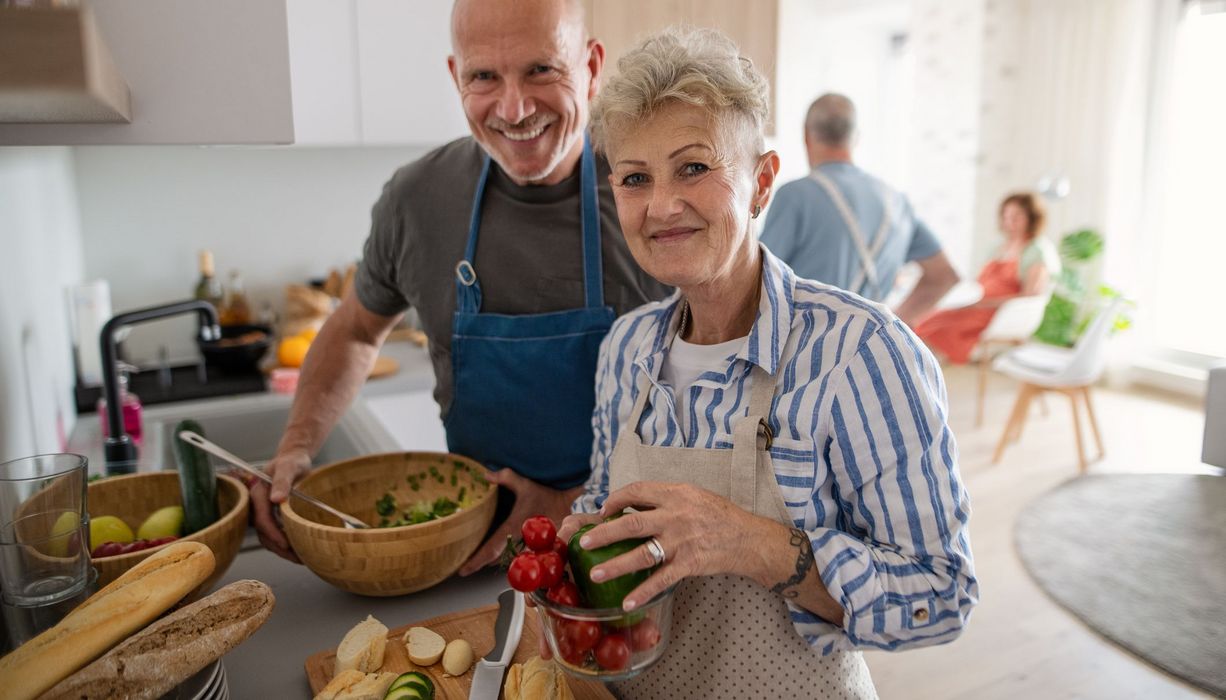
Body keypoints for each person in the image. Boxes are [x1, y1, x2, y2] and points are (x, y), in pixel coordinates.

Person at [557, 27, 977, 698]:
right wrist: (577, 540)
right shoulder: (627, 348)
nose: (662, 205)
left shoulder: (864, 352)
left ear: (761, 181)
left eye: (693, 167)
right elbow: (610, 504)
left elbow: (942, 595)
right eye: (636, 178)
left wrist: (751, 543)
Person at [249, 0, 670, 572]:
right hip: (469, 560)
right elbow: (354, 331)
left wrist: (570, 504)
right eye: (484, 77)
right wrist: (296, 447)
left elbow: (717, 401)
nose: (514, 108)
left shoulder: (651, 196)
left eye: (541, 70)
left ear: (592, 67)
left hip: (632, 557)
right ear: (456, 77)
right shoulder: (417, 200)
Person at [759, 93, 959, 326]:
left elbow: (758, 282)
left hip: (807, 351)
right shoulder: (896, 201)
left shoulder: (794, 196)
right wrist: (894, 323)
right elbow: (945, 275)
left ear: (806, 135)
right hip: (870, 353)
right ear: (855, 137)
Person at [913, 192, 1059, 364]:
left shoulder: (1037, 251)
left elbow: (1030, 295)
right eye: (1006, 216)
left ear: (1032, 218)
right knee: (923, 320)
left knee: (939, 328)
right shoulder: (999, 246)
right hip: (973, 305)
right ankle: (920, 366)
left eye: (1017, 217)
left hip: (997, 313)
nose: (1010, 222)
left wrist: (984, 303)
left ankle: (928, 368)